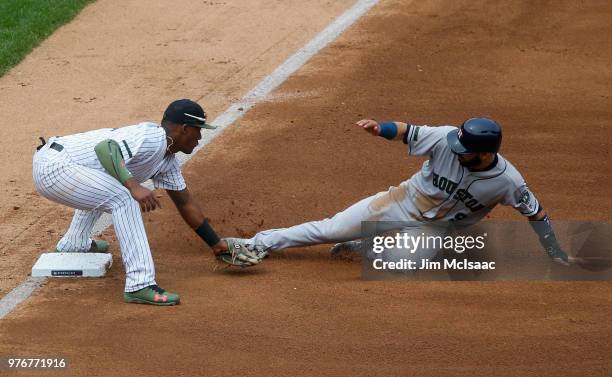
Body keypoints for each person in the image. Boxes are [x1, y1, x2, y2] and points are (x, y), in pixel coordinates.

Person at [233, 117, 576, 268]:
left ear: (486, 153)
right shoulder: (445, 138)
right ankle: (260, 242)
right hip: (400, 202)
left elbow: (536, 213)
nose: (456, 149)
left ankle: (369, 245)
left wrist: (553, 250)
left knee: (398, 264)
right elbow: (407, 131)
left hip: (435, 231)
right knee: (331, 228)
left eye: (466, 149)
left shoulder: (509, 182)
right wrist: (378, 128)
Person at [32, 99, 263, 306]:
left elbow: (184, 202)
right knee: (124, 198)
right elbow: (106, 148)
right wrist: (134, 186)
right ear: (184, 129)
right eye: (198, 131)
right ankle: (139, 284)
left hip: (66, 167)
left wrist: (216, 243)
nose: (200, 138)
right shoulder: (152, 138)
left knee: (112, 182)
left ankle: (75, 242)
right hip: (54, 167)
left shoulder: (168, 161)